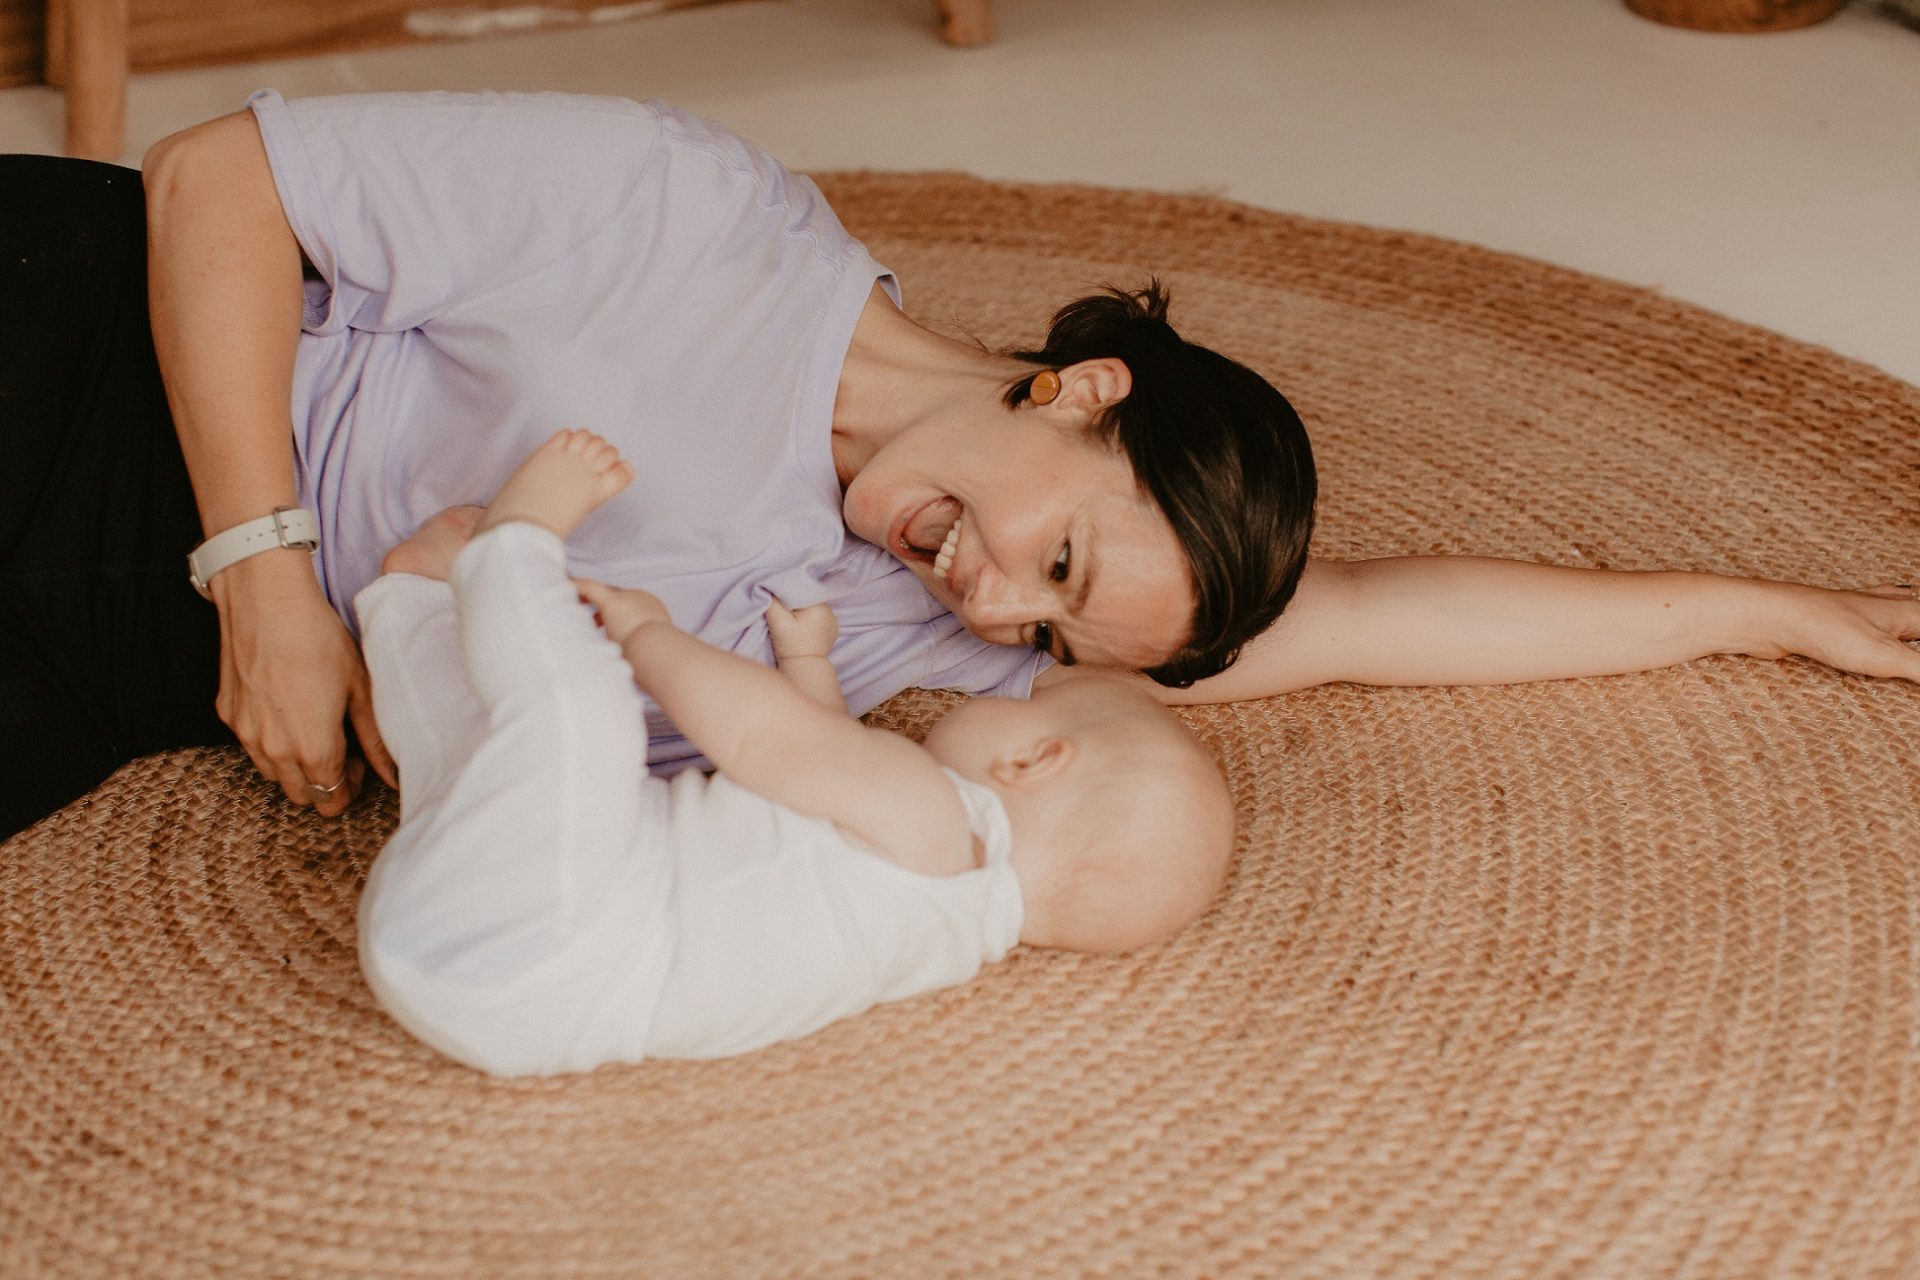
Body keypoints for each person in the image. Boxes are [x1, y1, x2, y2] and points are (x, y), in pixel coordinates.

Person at [3, 89, 1916, 841]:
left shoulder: (939, 636)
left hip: (119, 660)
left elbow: (1380, 620)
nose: (986, 609)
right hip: (103, 368)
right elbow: (220, 183)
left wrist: (1785, 612)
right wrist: (263, 573)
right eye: (1057, 567)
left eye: (1047, 636)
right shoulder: (694, 223)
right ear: (1079, 391)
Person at [356, 431, 1235, 1075]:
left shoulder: (939, 821)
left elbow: (762, 740)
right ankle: (417, 602)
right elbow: (825, 777)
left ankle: (508, 552)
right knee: (496, 776)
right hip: (530, 1016)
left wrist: (649, 636)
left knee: (577, 718)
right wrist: (807, 659)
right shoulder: (940, 932)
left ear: (1035, 762)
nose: (982, 696)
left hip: (557, 923)